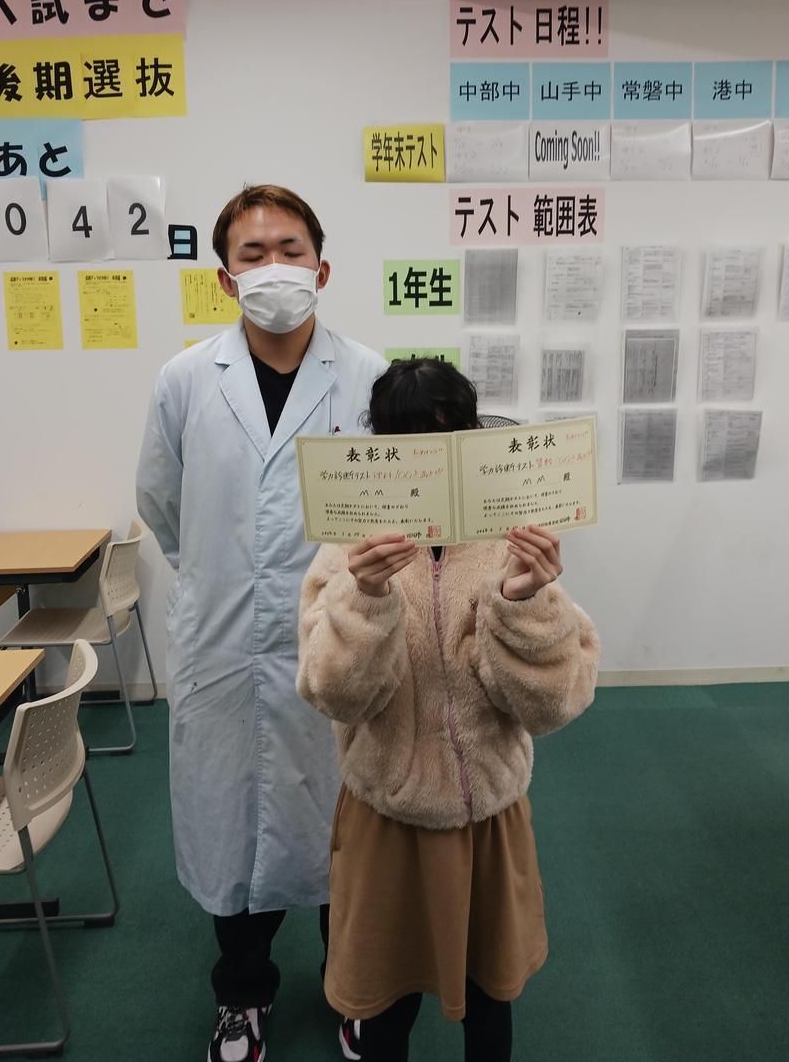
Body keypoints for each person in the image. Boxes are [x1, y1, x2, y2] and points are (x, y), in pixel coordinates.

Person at [136, 185, 386, 1062]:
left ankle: (354, 991)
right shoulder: (185, 379)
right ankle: (242, 995)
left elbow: (396, 500)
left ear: (323, 268)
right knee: (232, 826)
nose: (273, 266)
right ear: (223, 277)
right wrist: (224, 573)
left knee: (347, 830)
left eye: (290, 250)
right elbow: (161, 503)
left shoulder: (369, 376)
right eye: (253, 253)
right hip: (225, 641)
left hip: (342, 638)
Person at [297, 358, 600, 1061]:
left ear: (469, 440)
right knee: (385, 1008)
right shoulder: (349, 549)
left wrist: (522, 602)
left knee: (491, 1002)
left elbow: (555, 701)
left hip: (488, 813)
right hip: (387, 813)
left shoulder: (508, 541)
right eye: (406, 444)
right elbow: (331, 693)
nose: (426, 462)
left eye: (445, 439)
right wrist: (366, 598)